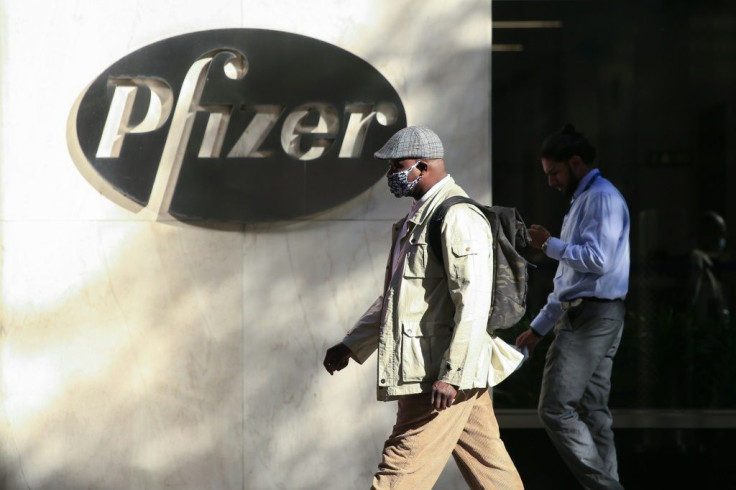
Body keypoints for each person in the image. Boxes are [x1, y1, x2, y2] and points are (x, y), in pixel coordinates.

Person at [323, 126, 523, 490]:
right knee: (493, 474)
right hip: (446, 374)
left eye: (396, 166)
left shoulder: (458, 218)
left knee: (399, 475)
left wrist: (451, 373)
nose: (389, 176)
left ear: (423, 166)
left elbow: (474, 303)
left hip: (437, 376)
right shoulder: (420, 218)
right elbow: (395, 298)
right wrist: (351, 344)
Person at [515, 124, 630, 490]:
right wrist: (539, 328)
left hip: (591, 316)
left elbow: (597, 260)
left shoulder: (600, 197)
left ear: (576, 163)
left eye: (554, 172)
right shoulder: (587, 198)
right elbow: (570, 279)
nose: (550, 182)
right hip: (594, 312)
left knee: (555, 408)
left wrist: (550, 244)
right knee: (593, 412)